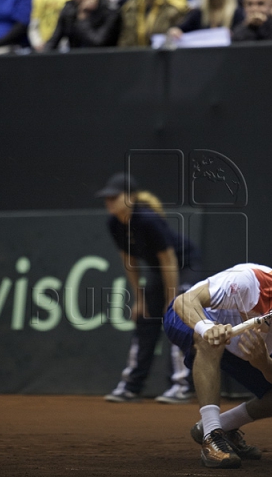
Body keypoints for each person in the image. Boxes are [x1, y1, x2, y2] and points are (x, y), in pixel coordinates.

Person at [163, 263, 272, 468]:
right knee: (210, 341)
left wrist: (264, 364)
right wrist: (206, 328)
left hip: (243, 342)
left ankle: (224, 425)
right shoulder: (252, 281)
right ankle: (212, 436)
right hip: (190, 319)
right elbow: (184, 301)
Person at [96, 172, 202, 404]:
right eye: (107, 198)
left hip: (184, 266)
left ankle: (182, 385)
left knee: (179, 318)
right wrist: (139, 299)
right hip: (159, 271)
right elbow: (129, 260)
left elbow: (169, 260)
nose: (109, 202)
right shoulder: (114, 223)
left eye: (114, 197)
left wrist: (172, 299)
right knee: (145, 320)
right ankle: (131, 386)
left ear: (131, 198)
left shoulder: (147, 219)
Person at [42, 0, 122, 50]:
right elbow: (54, 41)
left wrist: (83, 18)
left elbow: (98, 42)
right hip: (76, 60)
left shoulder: (110, 11)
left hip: (104, 61)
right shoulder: (69, 9)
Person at [117, 0, 189, 47]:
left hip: (160, 58)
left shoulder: (174, 7)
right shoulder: (130, 7)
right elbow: (125, 36)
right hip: (134, 56)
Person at [166, 0, 245, 41]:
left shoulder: (237, 13)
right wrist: (174, 31)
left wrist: (234, 36)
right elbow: (180, 29)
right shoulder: (199, 13)